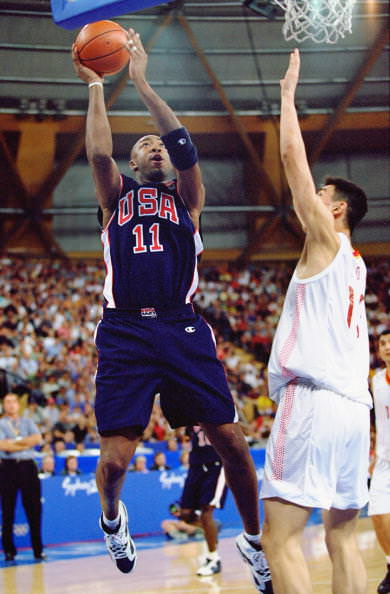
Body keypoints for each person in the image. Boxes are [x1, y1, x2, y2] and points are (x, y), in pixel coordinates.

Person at [72, 28, 272, 593]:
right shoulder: (117, 199)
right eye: (144, 147)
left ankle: (253, 543)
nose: (154, 148)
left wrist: (140, 79)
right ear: (133, 163)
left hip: (183, 327)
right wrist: (95, 87)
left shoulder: (188, 198)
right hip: (126, 331)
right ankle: (114, 520)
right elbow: (96, 152)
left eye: (156, 145)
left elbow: (183, 144)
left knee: (232, 440)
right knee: (112, 463)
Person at [260, 49, 371, 594]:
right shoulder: (358, 265)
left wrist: (286, 98)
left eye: (321, 198)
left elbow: (291, 162)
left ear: (335, 211)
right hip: (355, 413)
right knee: (343, 538)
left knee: (278, 539)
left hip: (314, 403)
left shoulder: (326, 241)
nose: (312, 200)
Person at [0, 392, 46, 561]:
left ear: (18, 405)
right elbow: (3, 445)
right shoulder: (1, 423)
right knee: (7, 510)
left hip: (28, 467)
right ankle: (9, 551)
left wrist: (14, 443)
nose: (11, 405)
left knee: (34, 509)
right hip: (8, 468)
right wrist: (23, 442)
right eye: (7, 402)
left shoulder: (27, 421)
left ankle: (38, 549)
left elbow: (37, 438)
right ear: (4, 405)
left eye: (13, 401)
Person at [180, 425, 227, 576]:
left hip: (216, 465)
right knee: (185, 514)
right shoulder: (188, 414)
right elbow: (185, 436)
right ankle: (211, 529)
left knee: (207, 511)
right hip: (195, 467)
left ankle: (213, 558)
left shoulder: (215, 406)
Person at [368, 330, 390, 594]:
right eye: (383, 343)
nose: (387, 347)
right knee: (377, 512)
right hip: (384, 460)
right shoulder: (376, 380)